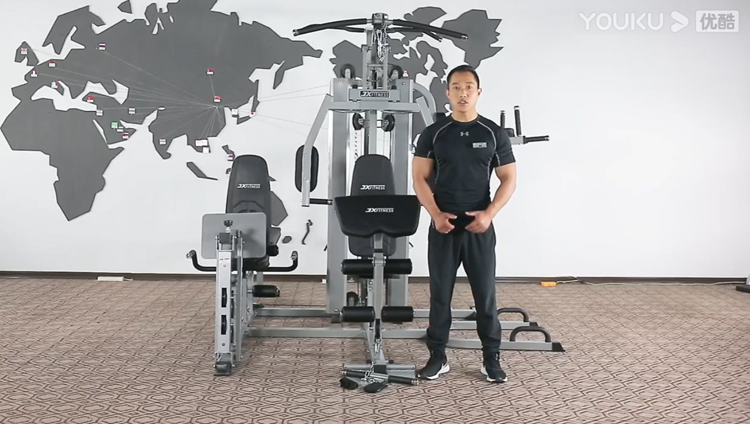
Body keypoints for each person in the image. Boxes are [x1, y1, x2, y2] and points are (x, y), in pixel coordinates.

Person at [411, 64, 517, 383]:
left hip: (479, 226)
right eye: (456, 87)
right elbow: (419, 178)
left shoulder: (492, 133)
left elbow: (509, 179)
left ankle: (491, 359)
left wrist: (489, 214)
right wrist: (435, 214)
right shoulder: (434, 133)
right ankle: (438, 356)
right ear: (447, 93)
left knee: (485, 296)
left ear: (478, 92)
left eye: (469, 86)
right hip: (443, 226)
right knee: (440, 295)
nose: (463, 92)